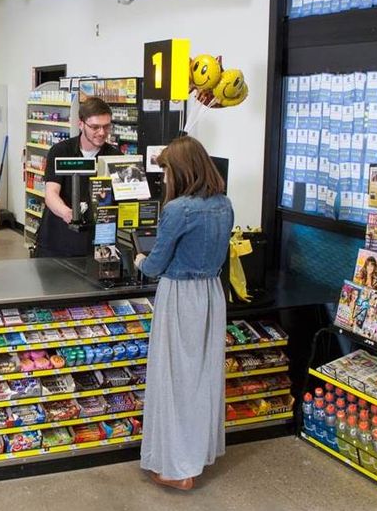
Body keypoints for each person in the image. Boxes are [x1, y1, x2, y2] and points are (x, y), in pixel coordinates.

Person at [133, 136, 233, 491]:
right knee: (202, 377)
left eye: (167, 172)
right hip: (210, 294)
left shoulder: (178, 210)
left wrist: (140, 259)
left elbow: (157, 263)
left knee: (174, 381)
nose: (165, 179)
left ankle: (179, 469)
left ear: (180, 171)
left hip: (179, 296)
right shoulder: (224, 204)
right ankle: (194, 457)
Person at [35, 97, 121, 258]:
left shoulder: (115, 156)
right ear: (80, 124)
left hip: (97, 243)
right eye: (95, 127)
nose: (102, 133)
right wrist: (68, 213)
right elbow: (51, 193)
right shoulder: (61, 151)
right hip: (58, 241)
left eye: (106, 126)